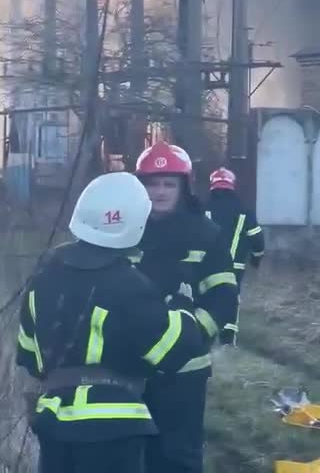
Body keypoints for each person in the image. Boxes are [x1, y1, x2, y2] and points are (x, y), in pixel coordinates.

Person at [16, 172, 204, 473]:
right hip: (114, 430)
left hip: (53, 424)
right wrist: (182, 305)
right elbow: (174, 350)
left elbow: (28, 355)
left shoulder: (43, 278)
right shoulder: (129, 284)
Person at [134, 141, 239, 473]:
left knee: (178, 456)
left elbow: (223, 296)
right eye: (153, 183)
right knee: (132, 454)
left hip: (184, 372)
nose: (160, 192)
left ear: (184, 187)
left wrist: (192, 334)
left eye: (169, 184)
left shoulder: (205, 234)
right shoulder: (124, 231)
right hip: (129, 368)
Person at [206, 167, 265, 344]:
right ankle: (227, 340)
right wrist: (256, 258)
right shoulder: (244, 211)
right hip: (234, 266)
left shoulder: (203, 209)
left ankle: (206, 335)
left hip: (205, 264)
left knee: (207, 296)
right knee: (231, 298)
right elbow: (257, 239)